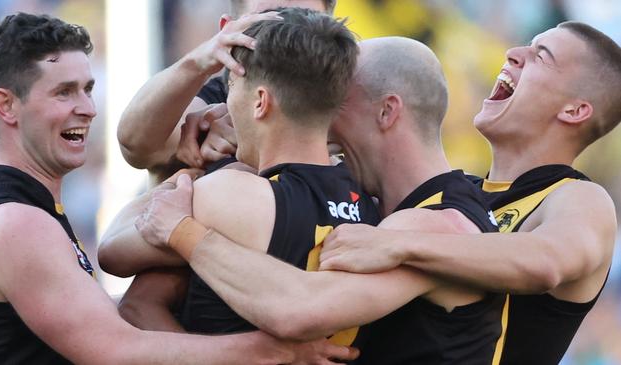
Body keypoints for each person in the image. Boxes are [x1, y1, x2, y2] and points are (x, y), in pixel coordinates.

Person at [0, 12, 350, 364]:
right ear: (7, 106)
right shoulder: (15, 222)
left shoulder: (22, 208)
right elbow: (114, 350)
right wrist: (274, 351)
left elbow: (91, 318)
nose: (87, 108)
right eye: (64, 92)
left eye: (88, 89)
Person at [135, 37, 508, 364]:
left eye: (336, 101)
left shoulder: (436, 223)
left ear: (387, 111)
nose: (320, 116)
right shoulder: (392, 207)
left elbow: (299, 309)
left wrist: (182, 232)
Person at [318, 21, 621, 365]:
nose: (513, 53)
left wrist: (396, 245)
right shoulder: (463, 195)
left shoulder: (579, 197)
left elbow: (547, 261)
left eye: (541, 55)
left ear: (574, 110)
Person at [116, 0, 337, 184]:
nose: (290, 40)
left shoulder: (352, 103)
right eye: (270, 23)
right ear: (227, 31)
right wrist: (197, 63)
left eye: (306, 21)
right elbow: (135, 144)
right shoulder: (205, 113)